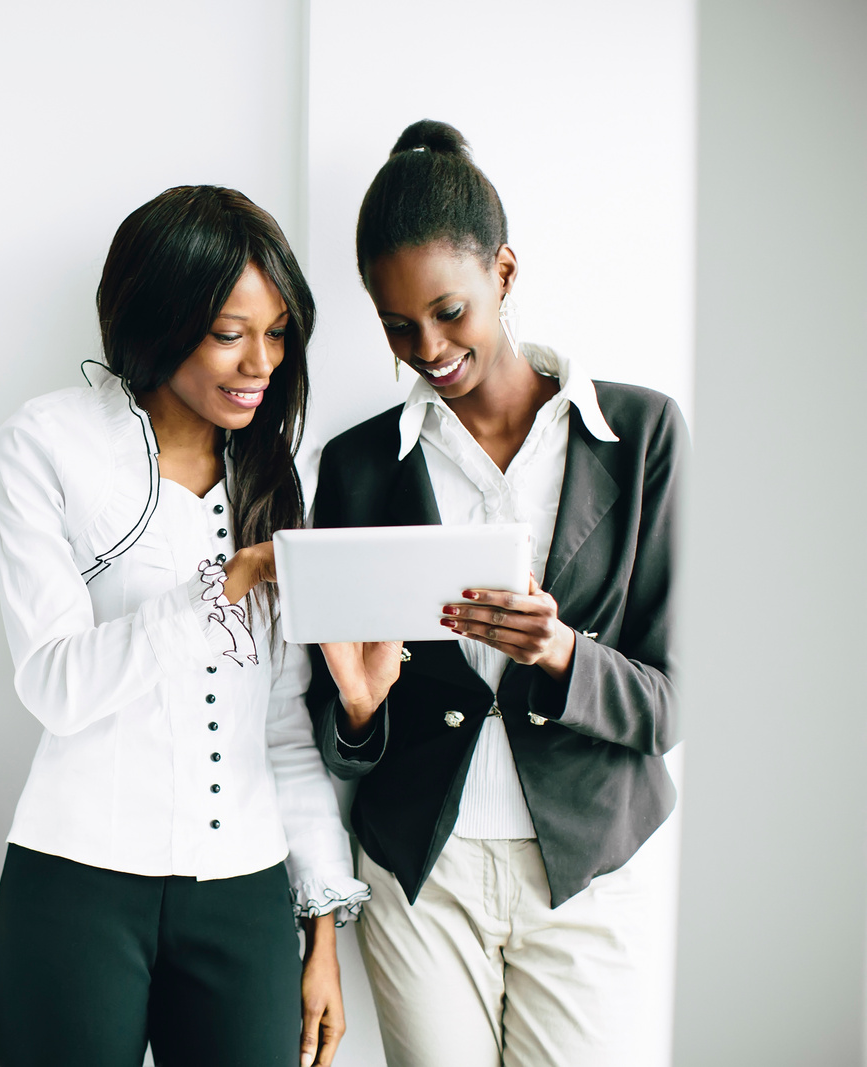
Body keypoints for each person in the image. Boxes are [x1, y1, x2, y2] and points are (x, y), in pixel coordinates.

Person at [308, 120, 685, 1067]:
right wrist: (357, 711)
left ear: (504, 275)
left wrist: (563, 655)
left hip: (589, 871)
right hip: (420, 874)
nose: (426, 346)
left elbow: (674, 700)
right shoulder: (356, 467)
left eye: (450, 312)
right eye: (398, 325)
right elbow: (327, 728)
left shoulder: (642, 437)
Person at [0, 186, 369, 1067]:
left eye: (276, 333)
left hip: (244, 896)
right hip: (75, 882)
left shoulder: (277, 474)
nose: (259, 362)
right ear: (159, 319)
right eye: (230, 332)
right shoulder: (47, 443)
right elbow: (56, 683)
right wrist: (224, 588)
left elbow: (283, 732)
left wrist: (321, 933)